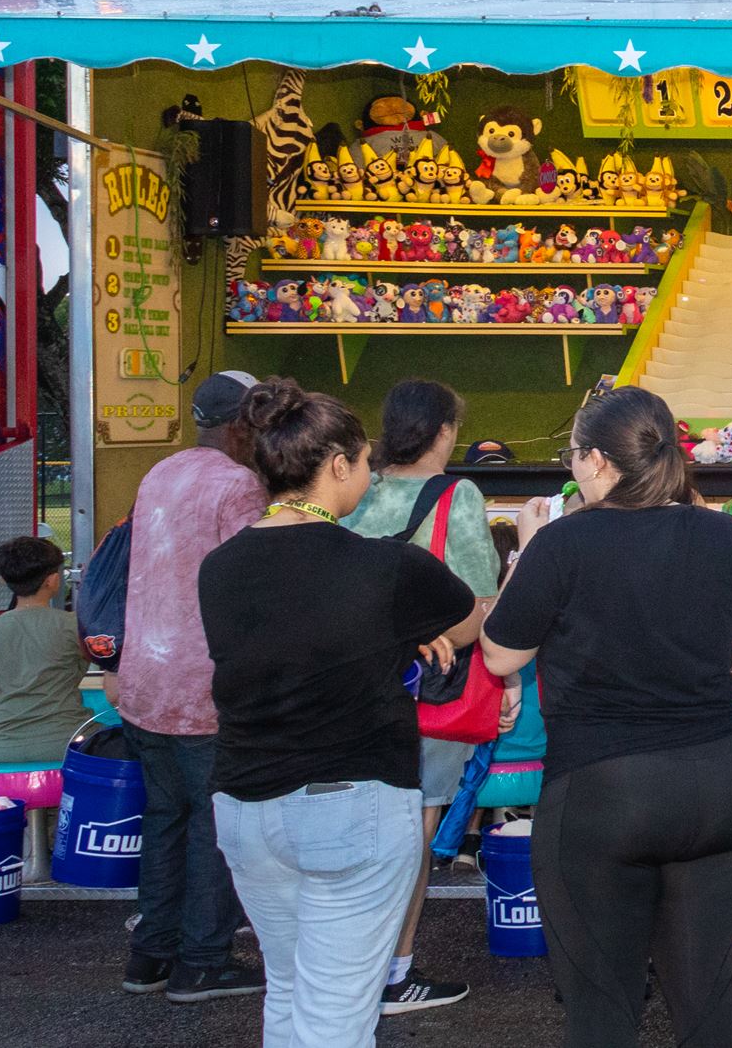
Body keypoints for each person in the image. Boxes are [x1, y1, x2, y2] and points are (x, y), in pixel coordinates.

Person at [480, 386, 732, 1048]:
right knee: (707, 993)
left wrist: (526, 550)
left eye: (572, 456)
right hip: (718, 782)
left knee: (602, 1003)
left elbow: (500, 651)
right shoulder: (726, 535)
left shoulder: (563, 542)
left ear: (599, 460)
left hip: (603, 789)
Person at [200, 378, 483, 1048]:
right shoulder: (385, 568)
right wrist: (407, 630)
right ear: (335, 465)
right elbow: (469, 614)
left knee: (292, 990)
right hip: (352, 804)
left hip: (246, 805)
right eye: (362, 460)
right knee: (338, 1014)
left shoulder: (221, 567)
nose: (367, 472)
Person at [107, 368, 266, 1003]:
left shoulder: (159, 474)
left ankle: (149, 955)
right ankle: (203, 961)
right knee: (212, 826)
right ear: (241, 425)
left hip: (145, 681)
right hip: (203, 687)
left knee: (165, 819)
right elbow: (247, 588)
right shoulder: (240, 488)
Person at [339, 378, 494, 1015]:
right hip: (426, 693)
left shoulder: (353, 489)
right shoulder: (458, 496)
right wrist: (430, 636)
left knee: (352, 830)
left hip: (351, 687)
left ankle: (344, 965)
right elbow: (480, 609)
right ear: (444, 432)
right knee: (413, 832)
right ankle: (394, 971)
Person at [0, 536, 87, 766]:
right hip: (67, 740)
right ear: (52, 580)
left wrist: (5, 725)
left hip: (5, 746)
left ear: (2, 579)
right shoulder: (74, 625)